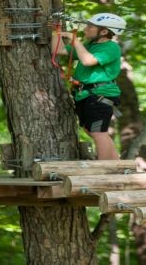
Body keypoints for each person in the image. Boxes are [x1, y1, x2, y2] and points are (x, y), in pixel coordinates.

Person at [51, 13, 126, 160]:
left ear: (103, 31)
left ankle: (104, 168)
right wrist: (56, 31)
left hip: (101, 94)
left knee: (98, 132)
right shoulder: (90, 45)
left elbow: (88, 61)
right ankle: (114, 163)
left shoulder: (111, 48)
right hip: (87, 94)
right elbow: (59, 50)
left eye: (90, 27)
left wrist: (75, 41)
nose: (86, 29)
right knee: (91, 130)